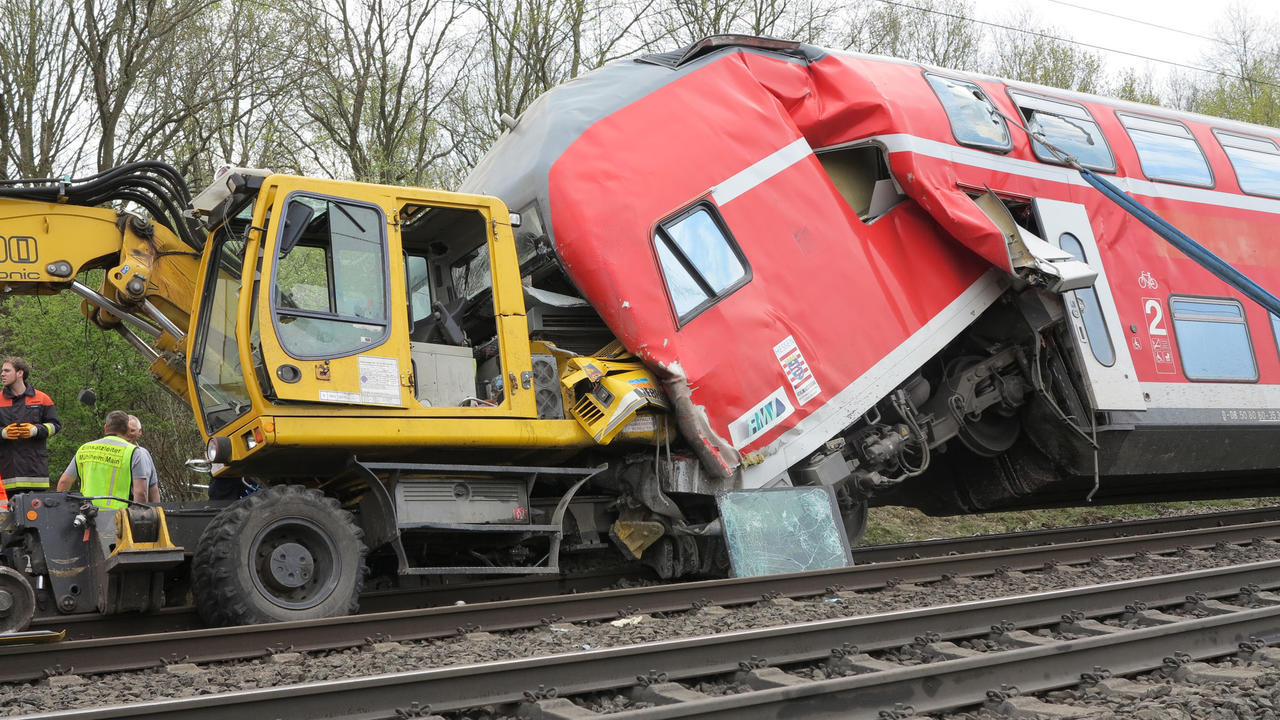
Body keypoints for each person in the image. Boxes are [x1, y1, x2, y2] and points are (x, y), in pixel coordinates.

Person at [56, 410, 151, 509]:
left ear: (106, 428)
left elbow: (64, 482)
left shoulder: (84, 449)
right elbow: (140, 493)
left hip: (87, 516)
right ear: (127, 430)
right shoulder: (134, 452)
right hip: (118, 518)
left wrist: (61, 510)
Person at [0, 357, 61, 492]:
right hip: (6, 477)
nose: (2, 374)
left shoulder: (42, 398)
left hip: (35, 476)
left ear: (20, 373)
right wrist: (3, 433)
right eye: (2, 371)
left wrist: (36, 430)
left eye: (7, 370)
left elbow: (55, 425)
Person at [126, 414, 161, 503]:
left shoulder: (144, 454)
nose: (128, 434)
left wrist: (157, 512)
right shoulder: (116, 454)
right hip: (118, 511)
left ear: (140, 432)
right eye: (125, 431)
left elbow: (153, 488)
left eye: (132, 431)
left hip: (140, 512)